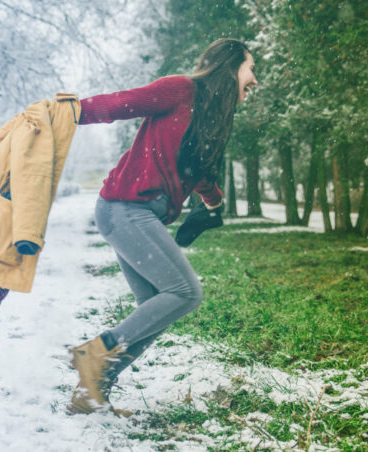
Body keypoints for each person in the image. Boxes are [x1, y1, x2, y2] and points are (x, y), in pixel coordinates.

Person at [68, 38, 258, 415]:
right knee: (185, 293)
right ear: (231, 66)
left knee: (154, 307)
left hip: (137, 214)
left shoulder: (212, 115)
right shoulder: (181, 89)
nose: (255, 81)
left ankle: (91, 393)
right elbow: (122, 103)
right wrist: (72, 111)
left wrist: (213, 202)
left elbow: (197, 168)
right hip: (124, 208)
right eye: (251, 70)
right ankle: (95, 352)